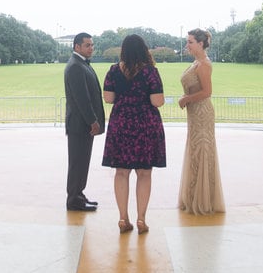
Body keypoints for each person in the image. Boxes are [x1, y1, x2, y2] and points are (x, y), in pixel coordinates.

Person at [101, 34, 166, 234]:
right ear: (143, 50)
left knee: (121, 172)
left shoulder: (113, 71)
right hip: (145, 124)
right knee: (144, 173)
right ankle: (141, 219)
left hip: (121, 123)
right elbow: (157, 101)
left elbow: (108, 98)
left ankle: (123, 218)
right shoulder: (150, 72)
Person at [177, 28, 225, 215]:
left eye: (190, 42)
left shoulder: (203, 64)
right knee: (195, 151)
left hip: (202, 113)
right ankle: (193, 195)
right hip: (194, 113)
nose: (187, 45)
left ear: (201, 43)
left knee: (202, 151)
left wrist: (186, 99)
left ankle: (204, 199)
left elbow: (207, 92)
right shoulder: (196, 62)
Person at [64, 32, 105, 211]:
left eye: (92, 45)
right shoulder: (75, 66)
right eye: (87, 45)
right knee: (77, 163)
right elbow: (82, 99)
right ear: (77, 46)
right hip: (80, 125)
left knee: (82, 162)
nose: (91, 48)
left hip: (82, 125)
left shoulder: (80, 64)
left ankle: (78, 195)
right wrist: (93, 121)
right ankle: (74, 199)